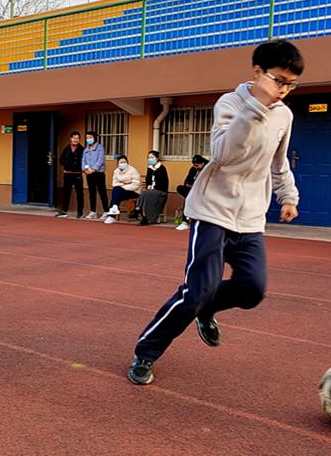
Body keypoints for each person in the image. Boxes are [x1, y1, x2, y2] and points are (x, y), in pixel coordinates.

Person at [128, 39, 303, 385]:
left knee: (252, 289)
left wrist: (288, 196)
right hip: (211, 212)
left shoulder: (284, 114)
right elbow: (224, 153)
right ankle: (146, 351)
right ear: (258, 72)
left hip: (250, 218)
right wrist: (255, 107)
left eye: (291, 83)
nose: (284, 90)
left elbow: (278, 163)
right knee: (197, 289)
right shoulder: (231, 104)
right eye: (279, 80)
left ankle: (206, 309)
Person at [130, 150, 168, 226]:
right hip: (150, 192)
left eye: (152, 157)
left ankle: (138, 208)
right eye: (148, 157)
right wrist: (149, 186)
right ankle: (143, 216)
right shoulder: (150, 168)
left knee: (145, 193)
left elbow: (163, 184)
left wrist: (152, 188)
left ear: (156, 158)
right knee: (145, 193)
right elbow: (148, 180)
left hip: (160, 192)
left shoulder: (162, 168)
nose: (149, 159)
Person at [102, 155, 141, 225]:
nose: (123, 164)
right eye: (121, 162)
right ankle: (114, 208)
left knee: (116, 193)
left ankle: (111, 215)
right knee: (116, 191)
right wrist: (124, 185)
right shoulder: (116, 171)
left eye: (124, 162)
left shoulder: (133, 170)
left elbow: (135, 185)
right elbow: (114, 184)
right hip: (121, 191)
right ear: (118, 164)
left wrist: (123, 186)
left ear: (127, 162)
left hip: (134, 191)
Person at [175, 154, 209, 231]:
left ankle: (185, 221)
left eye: (197, 165)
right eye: (194, 165)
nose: (195, 167)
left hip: (204, 192)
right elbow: (187, 181)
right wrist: (188, 184)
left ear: (202, 163)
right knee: (182, 190)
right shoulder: (193, 169)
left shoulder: (208, 169)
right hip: (193, 190)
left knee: (189, 197)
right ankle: (185, 221)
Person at [55, 131, 84, 218]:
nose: (76, 140)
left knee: (79, 193)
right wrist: (66, 164)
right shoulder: (67, 148)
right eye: (74, 138)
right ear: (71, 138)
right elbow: (61, 159)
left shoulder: (82, 149)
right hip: (67, 174)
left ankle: (80, 212)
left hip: (77, 174)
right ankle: (64, 211)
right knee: (66, 193)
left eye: (77, 138)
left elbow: (85, 160)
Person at [82, 131, 108, 219]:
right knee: (91, 193)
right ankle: (93, 211)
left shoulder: (100, 147)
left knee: (102, 192)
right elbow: (83, 160)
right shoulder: (85, 149)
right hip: (89, 173)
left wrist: (93, 169)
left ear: (94, 138)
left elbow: (100, 160)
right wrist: (85, 169)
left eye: (90, 137)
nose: (88, 139)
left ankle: (106, 211)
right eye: (87, 138)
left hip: (98, 173)